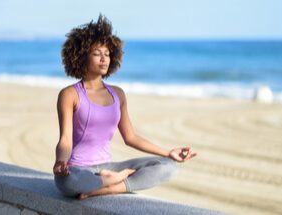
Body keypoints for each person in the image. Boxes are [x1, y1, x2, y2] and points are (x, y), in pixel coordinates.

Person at [53, 14, 197, 200]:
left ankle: (109, 187)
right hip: (78, 170)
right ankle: (112, 181)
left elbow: (131, 137)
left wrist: (168, 153)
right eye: (97, 54)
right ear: (81, 57)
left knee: (168, 167)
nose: (104, 59)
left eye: (107, 54)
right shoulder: (70, 94)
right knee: (67, 183)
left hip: (108, 167)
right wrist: (61, 162)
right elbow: (65, 139)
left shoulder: (117, 94)